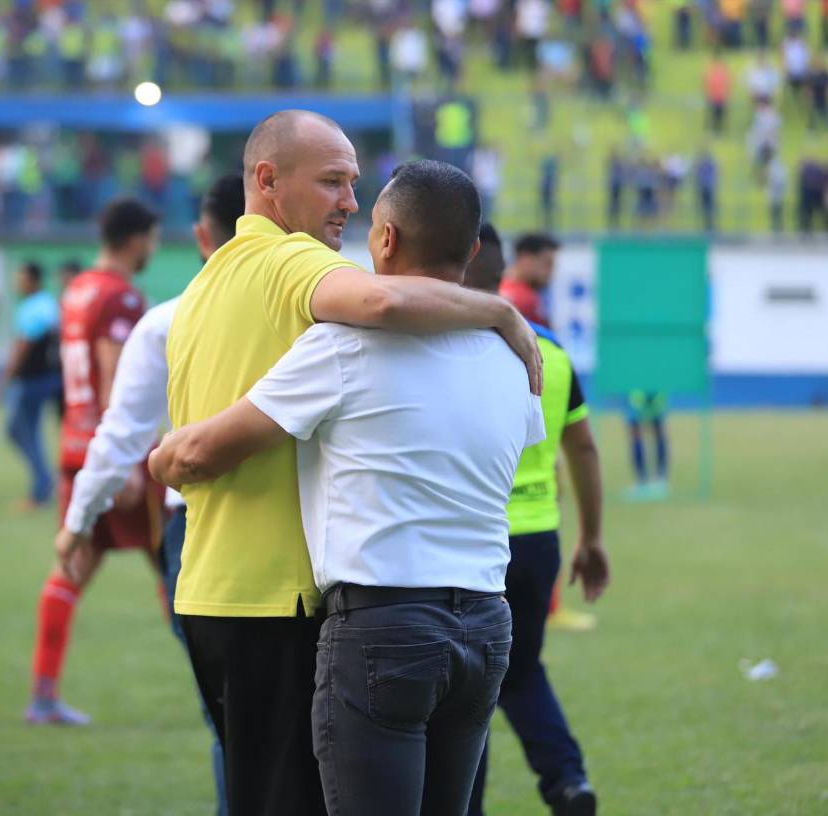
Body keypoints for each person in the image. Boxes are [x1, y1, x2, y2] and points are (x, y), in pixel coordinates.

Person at [119, 110, 540, 816]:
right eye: (332, 182)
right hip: (285, 599)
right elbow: (378, 298)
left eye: (353, 183)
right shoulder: (296, 262)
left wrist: (169, 457)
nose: (349, 201)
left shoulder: (207, 283)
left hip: (212, 584)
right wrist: (499, 313)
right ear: (267, 181)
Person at [55, 173, 245, 816]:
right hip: (295, 530)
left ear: (201, 237)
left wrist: (77, 519)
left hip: (193, 526)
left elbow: (120, 429)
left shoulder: (164, 319)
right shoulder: (316, 314)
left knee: (228, 717)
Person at [463, 224, 609, 816]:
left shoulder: (445, 346)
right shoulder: (549, 348)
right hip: (538, 542)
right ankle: (568, 782)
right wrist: (592, 539)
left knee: (462, 693)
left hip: (473, 545)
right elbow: (584, 449)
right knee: (522, 673)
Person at [26, 199, 165, 725]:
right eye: (152, 238)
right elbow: (115, 380)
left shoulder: (78, 290)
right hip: (115, 452)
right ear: (135, 239)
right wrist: (125, 464)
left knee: (72, 567)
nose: (153, 248)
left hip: (75, 447)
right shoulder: (120, 296)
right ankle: (217, 690)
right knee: (175, 564)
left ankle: (42, 695)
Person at [0, 261, 62, 509]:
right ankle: (45, 482)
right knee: (24, 431)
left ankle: (42, 486)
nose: (16, 282)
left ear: (32, 280)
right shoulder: (49, 304)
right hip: (50, 379)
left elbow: (22, 347)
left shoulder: (34, 308)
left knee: (22, 431)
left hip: (33, 380)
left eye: (21, 277)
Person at [500, 233, 559, 328]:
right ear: (526, 258)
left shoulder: (496, 286)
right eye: (548, 264)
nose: (551, 272)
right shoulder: (525, 299)